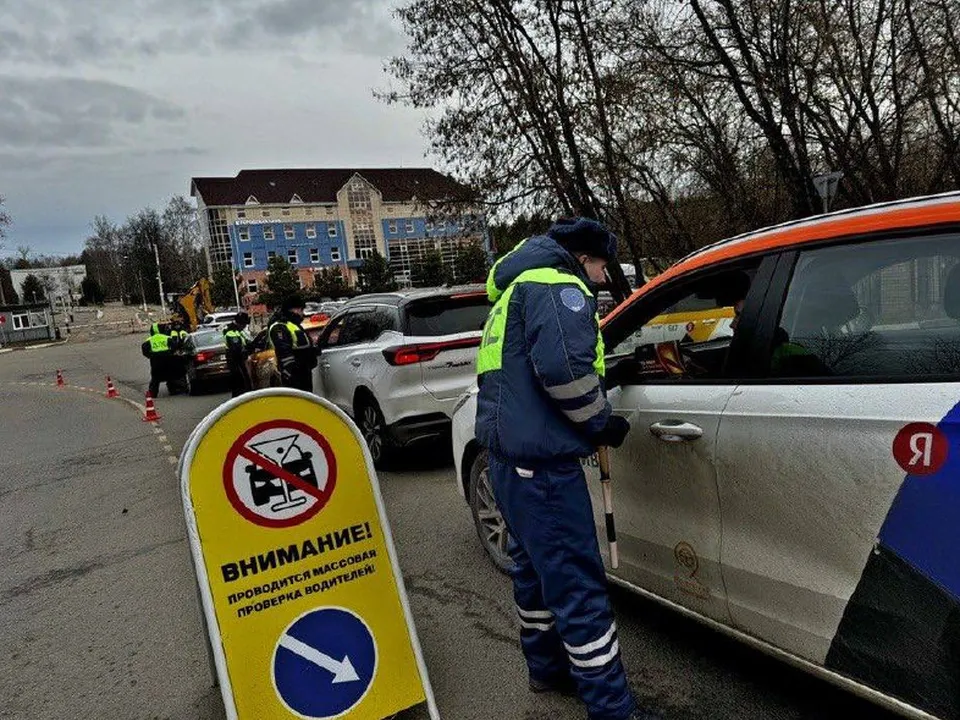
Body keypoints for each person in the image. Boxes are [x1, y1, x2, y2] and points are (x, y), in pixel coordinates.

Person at [475, 217, 660, 720]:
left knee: (533, 573)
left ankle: (545, 668)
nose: (602, 279)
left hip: (510, 464)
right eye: (601, 267)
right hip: (546, 470)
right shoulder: (560, 287)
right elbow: (561, 371)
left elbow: (526, 366)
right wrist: (598, 422)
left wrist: (602, 375)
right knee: (577, 588)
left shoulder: (515, 289)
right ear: (583, 258)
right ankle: (613, 708)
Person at [268, 295, 316, 392]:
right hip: (294, 376)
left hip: (304, 373)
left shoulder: (295, 325)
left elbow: (303, 346)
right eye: (301, 310)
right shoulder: (280, 327)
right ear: (294, 309)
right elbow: (284, 352)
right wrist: (290, 372)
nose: (303, 313)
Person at [141, 321, 180, 397]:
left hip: (156, 362)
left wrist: (151, 356)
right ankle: (173, 390)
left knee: (155, 378)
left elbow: (144, 350)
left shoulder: (149, 340)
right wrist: (170, 353)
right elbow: (175, 346)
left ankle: (153, 393)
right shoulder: (167, 338)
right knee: (170, 376)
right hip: (168, 360)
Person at [223, 311, 252, 398]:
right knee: (240, 384)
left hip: (238, 361)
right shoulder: (231, 332)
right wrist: (247, 351)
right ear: (240, 323)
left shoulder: (238, 331)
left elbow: (246, 343)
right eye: (244, 324)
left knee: (241, 383)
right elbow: (237, 349)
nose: (245, 326)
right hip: (235, 362)